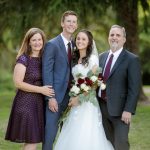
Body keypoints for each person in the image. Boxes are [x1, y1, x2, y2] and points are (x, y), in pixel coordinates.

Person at [54, 29, 114, 150]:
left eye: (83, 39)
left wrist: (79, 97)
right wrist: (73, 96)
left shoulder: (92, 59)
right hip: (74, 101)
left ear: (89, 42)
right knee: (71, 131)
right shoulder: (74, 59)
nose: (80, 41)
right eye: (78, 38)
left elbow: (94, 83)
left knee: (86, 132)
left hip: (87, 103)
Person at [5, 28, 54, 150]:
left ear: (43, 41)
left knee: (31, 142)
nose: (37, 42)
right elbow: (18, 83)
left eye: (39, 39)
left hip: (38, 104)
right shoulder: (24, 59)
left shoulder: (44, 59)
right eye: (34, 40)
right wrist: (41, 90)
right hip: (25, 103)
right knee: (32, 142)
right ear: (28, 42)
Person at [98, 25, 141, 150]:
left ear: (124, 39)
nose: (114, 38)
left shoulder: (131, 59)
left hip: (121, 110)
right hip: (101, 108)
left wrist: (128, 110)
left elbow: (134, 88)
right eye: (112, 35)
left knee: (121, 143)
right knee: (108, 142)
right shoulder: (101, 57)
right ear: (108, 38)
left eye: (118, 35)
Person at [42, 10, 78, 150]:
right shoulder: (52, 44)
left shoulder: (76, 45)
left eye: (74, 22)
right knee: (50, 135)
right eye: (68, 21)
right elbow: (47, 71)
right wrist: (50, 97)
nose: (71, 24)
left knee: (68, 135)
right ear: (62, 23)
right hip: (55, 98)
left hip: (71, 98)